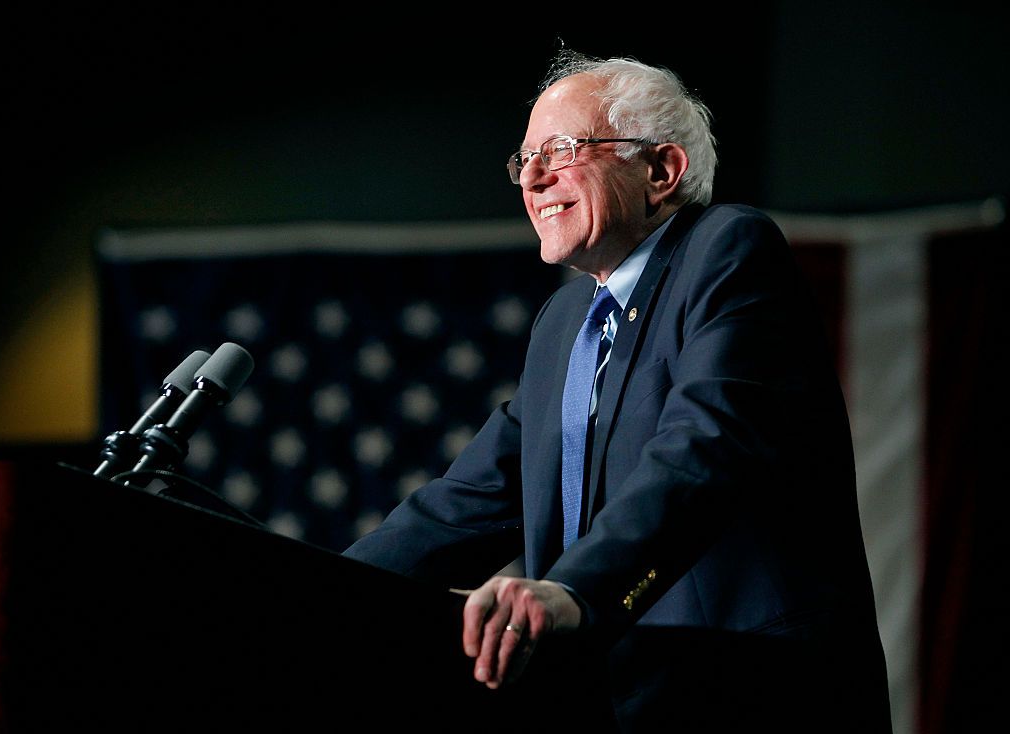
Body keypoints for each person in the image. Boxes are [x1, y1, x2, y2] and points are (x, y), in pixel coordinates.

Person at [343, 50, 891, 732]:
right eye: (524, 159)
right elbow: (469, 501)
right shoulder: (565, 322)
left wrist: (574, 591)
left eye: (563, 149)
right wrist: (327, 589)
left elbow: (702, 451)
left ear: (661, 171)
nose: (534, 177)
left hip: (749, 691)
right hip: (611, 696)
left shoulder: (728, 250)